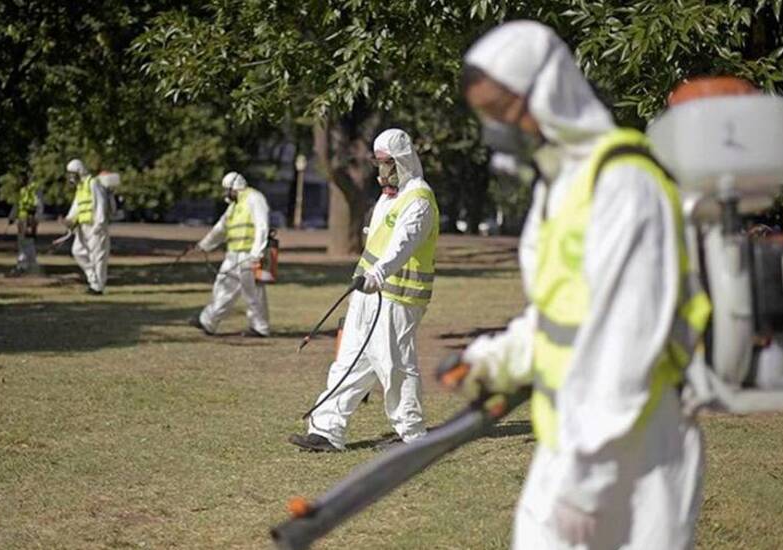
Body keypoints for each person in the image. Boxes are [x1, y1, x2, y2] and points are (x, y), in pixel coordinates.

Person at [456, 21, 710, 549]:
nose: (499, 129)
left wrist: (588, 480)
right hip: (572, 439)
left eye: (504, 110)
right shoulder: (559, 187)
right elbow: (557, 314)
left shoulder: (624, 182)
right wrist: (496, 360)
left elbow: (626, 337)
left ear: (547, 91)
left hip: (636, 450)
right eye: (489, 117)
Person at [289, 128, 440, 452]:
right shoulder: (390, 198)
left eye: (386, 163)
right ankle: (327, 430)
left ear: (401, 161)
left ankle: (412, 437)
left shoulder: (419, 199)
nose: (381, 172)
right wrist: (366, 281)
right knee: (350, 360)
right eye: (377, 164)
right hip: (367, 294)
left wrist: (378, 274)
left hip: (398, 297)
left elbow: (403, 244)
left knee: (395, 365)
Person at [189, 171, 271, 337]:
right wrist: (203, 245)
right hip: (233, 255)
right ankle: (208, 321)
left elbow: (262, 226)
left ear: (235, 186)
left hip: (249, 254)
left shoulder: (254, 198)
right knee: (223, 287)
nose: (225, 193)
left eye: (226, 189)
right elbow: (220, 228)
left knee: (253, 292)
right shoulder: (233, 207)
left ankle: (260, 328)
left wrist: (257, 253)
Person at [64, 159, 111, 295]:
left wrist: (100, 224)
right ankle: (93, 279)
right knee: (77, 251)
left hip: (95, 226)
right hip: (83, 227)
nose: (71, 177)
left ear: (79, 171)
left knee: (98, 257)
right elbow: (76, 206)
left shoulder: (93, 183)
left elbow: (101, 203)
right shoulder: (80, 187)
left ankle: (98, 287)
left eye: (72, 173)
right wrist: (69, 220)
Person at [7, 178, 44, 276]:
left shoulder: (34, 189)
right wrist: (12, 217)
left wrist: (36, 220)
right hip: (22, 220)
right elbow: (17, 204)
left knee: (26, 242)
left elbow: (39, 205)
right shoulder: (22, 190)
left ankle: (22, 266)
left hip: (29, 219)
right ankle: (32, 267)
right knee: (25, 242)